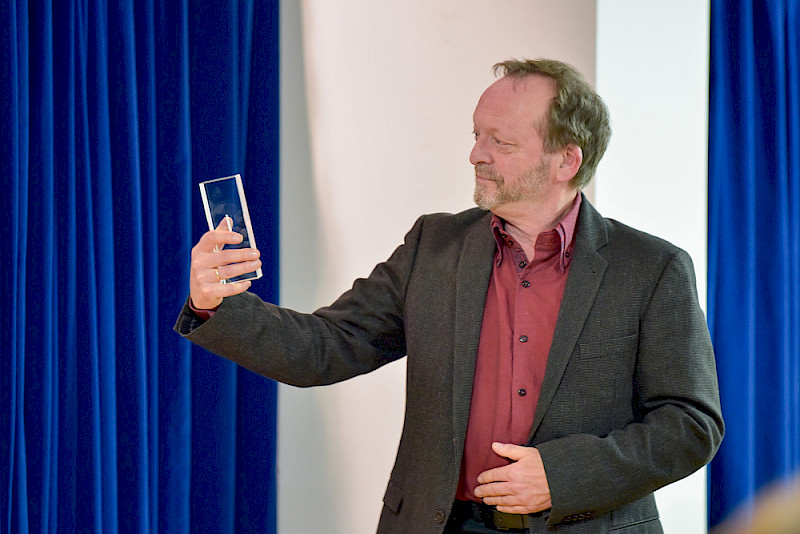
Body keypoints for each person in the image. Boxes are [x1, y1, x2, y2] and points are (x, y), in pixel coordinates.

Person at [175, 59, 724, 533]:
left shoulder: (651, 268)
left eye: (499, 142)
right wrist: (217, 304)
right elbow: (325, 347)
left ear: (566, 162)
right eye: (476, 134)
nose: (475, 155)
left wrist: (564, 475)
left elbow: (690, 423)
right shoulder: (432, 246)